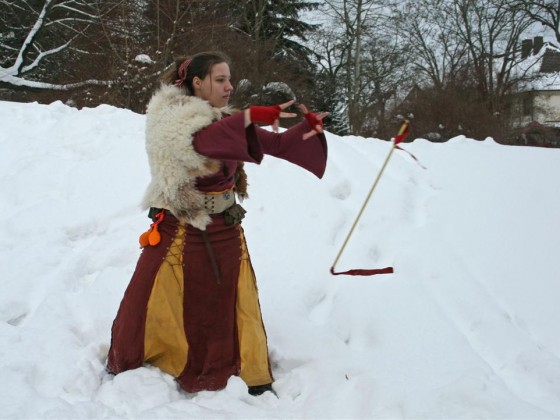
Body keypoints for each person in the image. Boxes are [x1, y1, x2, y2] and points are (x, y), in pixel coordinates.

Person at [106, 51, 328, 396]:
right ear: (198, 82)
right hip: (181, 231)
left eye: (229, 79)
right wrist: (249, 116)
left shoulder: (222, 118)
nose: (229, 86)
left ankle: (242, 367)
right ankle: (163, 359)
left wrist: (309, 131)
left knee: (232, 300)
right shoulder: (171, 119)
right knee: (165, 302)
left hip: (226, 227)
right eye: (220, 79)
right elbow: (203, 142)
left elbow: (279, 143)